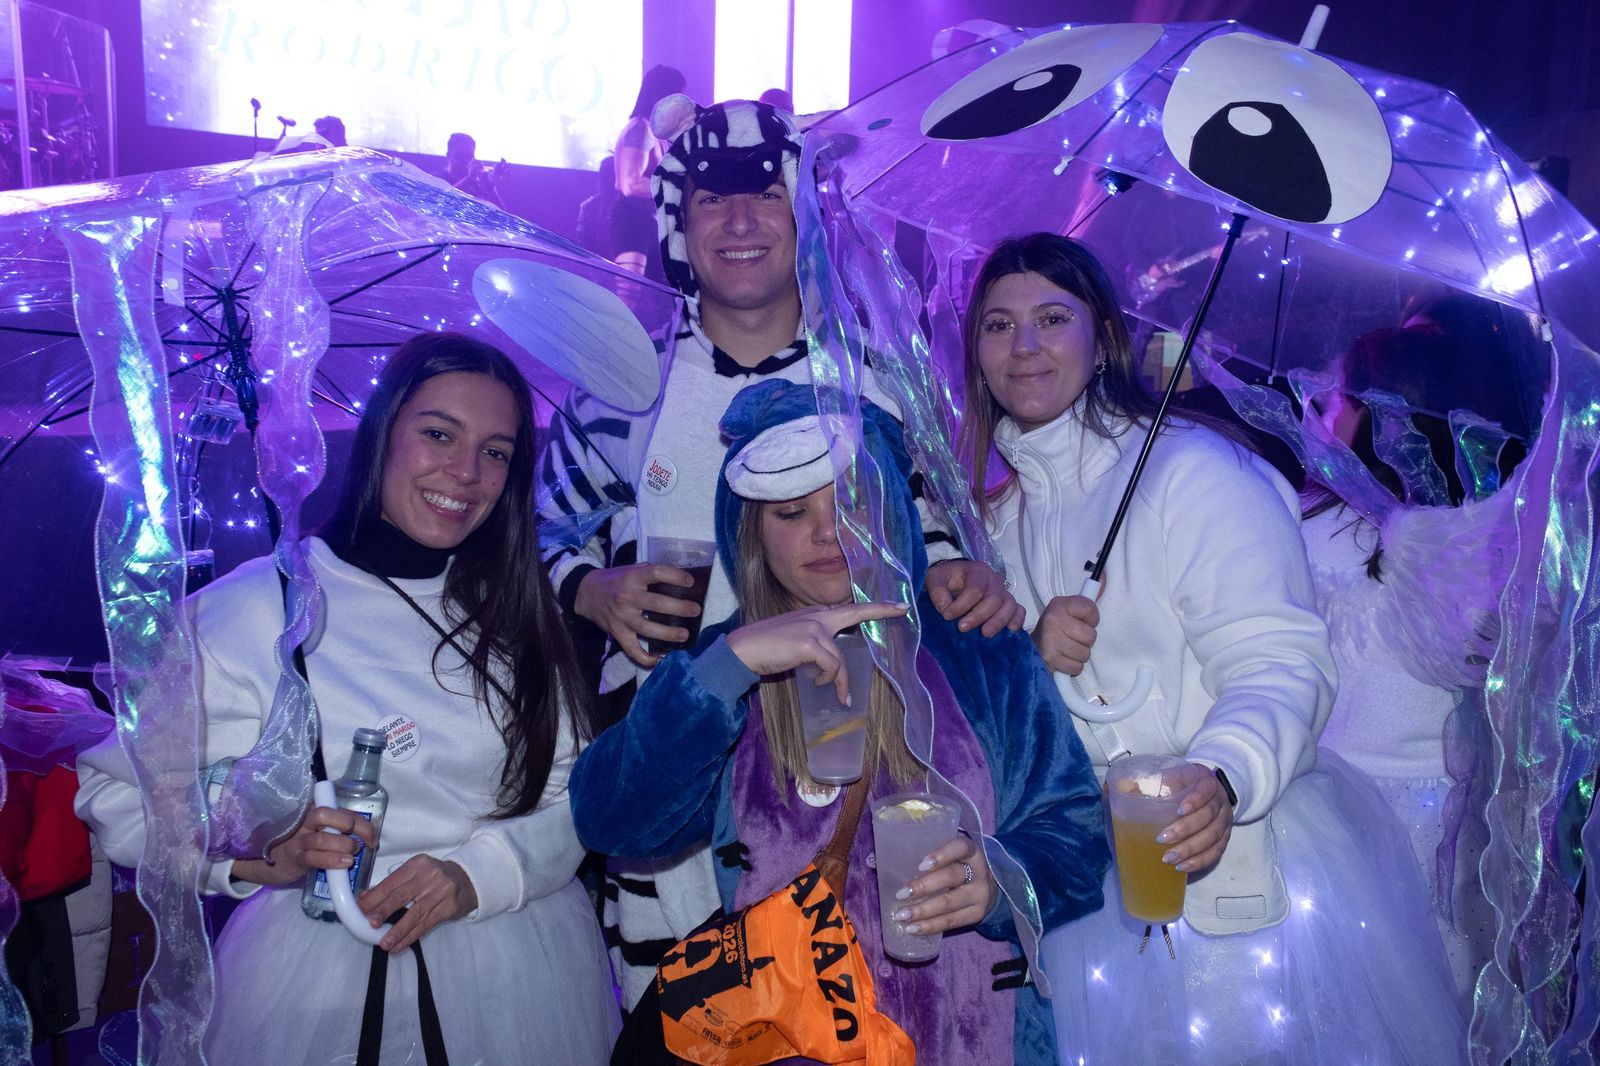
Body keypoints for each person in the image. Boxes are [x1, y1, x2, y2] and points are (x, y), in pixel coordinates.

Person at [537, 95, 1021, 1009]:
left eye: (766, 192)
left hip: (854, 766)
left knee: (860, 1014)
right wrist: (590, 586)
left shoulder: (871, 372)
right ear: (678, 221)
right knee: (688, 1022)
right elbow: (541, 533)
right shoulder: (621, 385)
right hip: (672, 784)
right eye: (712, 199)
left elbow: (935, 519)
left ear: (803, 214)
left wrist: (953, 565)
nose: (741, 219)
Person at [960, 233, 1466, 1063]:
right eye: (997, 325)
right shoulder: (989, 524)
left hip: (1231, 874)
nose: (1024, 346)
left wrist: (1225, 773)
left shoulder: (1192, 473)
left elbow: (1280, 657)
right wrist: (1022, 654)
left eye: (1052, 317)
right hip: (1084, 892)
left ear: (1103, 340)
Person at [75, 333, 619, 1063]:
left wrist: (478, 874)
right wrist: (255, 849)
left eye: (496, 451)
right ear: (381, 434)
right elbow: (121, 794)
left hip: (519, 970)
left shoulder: (516, 608)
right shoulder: (254, 612)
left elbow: (577, 795)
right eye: (438, 433)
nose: (466, 472)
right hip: (317, 981)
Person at [570, 378, 1109, 1062]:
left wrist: (1000, 880)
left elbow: (1078, 835)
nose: (827, 532)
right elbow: (610, 819)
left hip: (977, 1037)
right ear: (752, 533)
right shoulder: (724, 669)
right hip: (795, 1042)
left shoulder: (978, 647)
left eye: (851, 500)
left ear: (890, 507)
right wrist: (732, 664)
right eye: (791, 511)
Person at [1302, 326, 1511, 999]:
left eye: (1335, 399)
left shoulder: (1308, 532)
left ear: (1366, 416)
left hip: (1336, 814)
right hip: (1457, 819)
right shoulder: (1492, 542)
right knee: (1443, 990)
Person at [612, 65, 686, 282]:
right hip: (633, 220)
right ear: (660, 95)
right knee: (629, 301)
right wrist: (678, 186)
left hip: (649, 221)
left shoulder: (655, 132)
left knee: (650, 304)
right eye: (677, 96)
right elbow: (630, 183)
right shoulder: (640, 129)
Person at [444, 132, 505, 210]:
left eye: (469, 156)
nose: (466, 160)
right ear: (448, 156)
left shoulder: (477, 184)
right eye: (460, 155)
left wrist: (489, 185)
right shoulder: (438, 177)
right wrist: (469, 178)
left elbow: (502, 214)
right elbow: (443, 200)